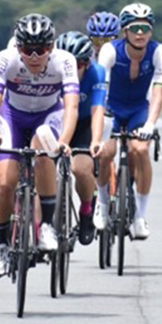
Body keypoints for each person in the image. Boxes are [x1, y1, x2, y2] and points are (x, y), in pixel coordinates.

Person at [0, 14, 80, 278]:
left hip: (48, 115)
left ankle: (47, 225)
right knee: (4, 183)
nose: (35, 56)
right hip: (12, 116)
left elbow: (71, 106)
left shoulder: (65, 61)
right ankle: (0, 244)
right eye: (28, 50)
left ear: (52, 47)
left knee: (44, 143)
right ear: (18, 48)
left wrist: (64, 142)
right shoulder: (6, 59)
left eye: (42, 49)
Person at [94, 2, 162, 240]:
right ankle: (103, 205)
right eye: (134, 28)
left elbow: (157, 92)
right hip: (112, 107)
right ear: (124, 30)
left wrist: (150, 125)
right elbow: (101, 88)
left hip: (138, 109)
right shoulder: (110, 51)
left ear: (151, 31)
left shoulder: (159, 52)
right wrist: (102, 117)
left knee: (140, 150)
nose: (140, 34)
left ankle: (140, 216)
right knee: (105, 153)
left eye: (145, 28)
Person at [54, 31, 107, 246]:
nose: (70, 71)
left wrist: (96, 140)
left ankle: (87, 211)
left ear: (86, 64)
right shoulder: (51, 72)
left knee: (81, 168)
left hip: (84, 123)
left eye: (75, 65)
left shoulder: (97, 73)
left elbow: (97, 109)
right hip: (57, 121)